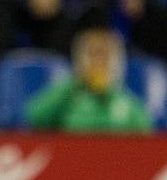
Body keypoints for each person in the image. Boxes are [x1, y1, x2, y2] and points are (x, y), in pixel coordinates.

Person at [24, 28, 153, 133]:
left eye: (104, 55)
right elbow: (35, 117)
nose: (98, 62)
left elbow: (145, 132)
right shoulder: (68, 95)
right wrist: (75, 83)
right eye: (92, 55)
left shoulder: (125, 101)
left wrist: (109, 92)